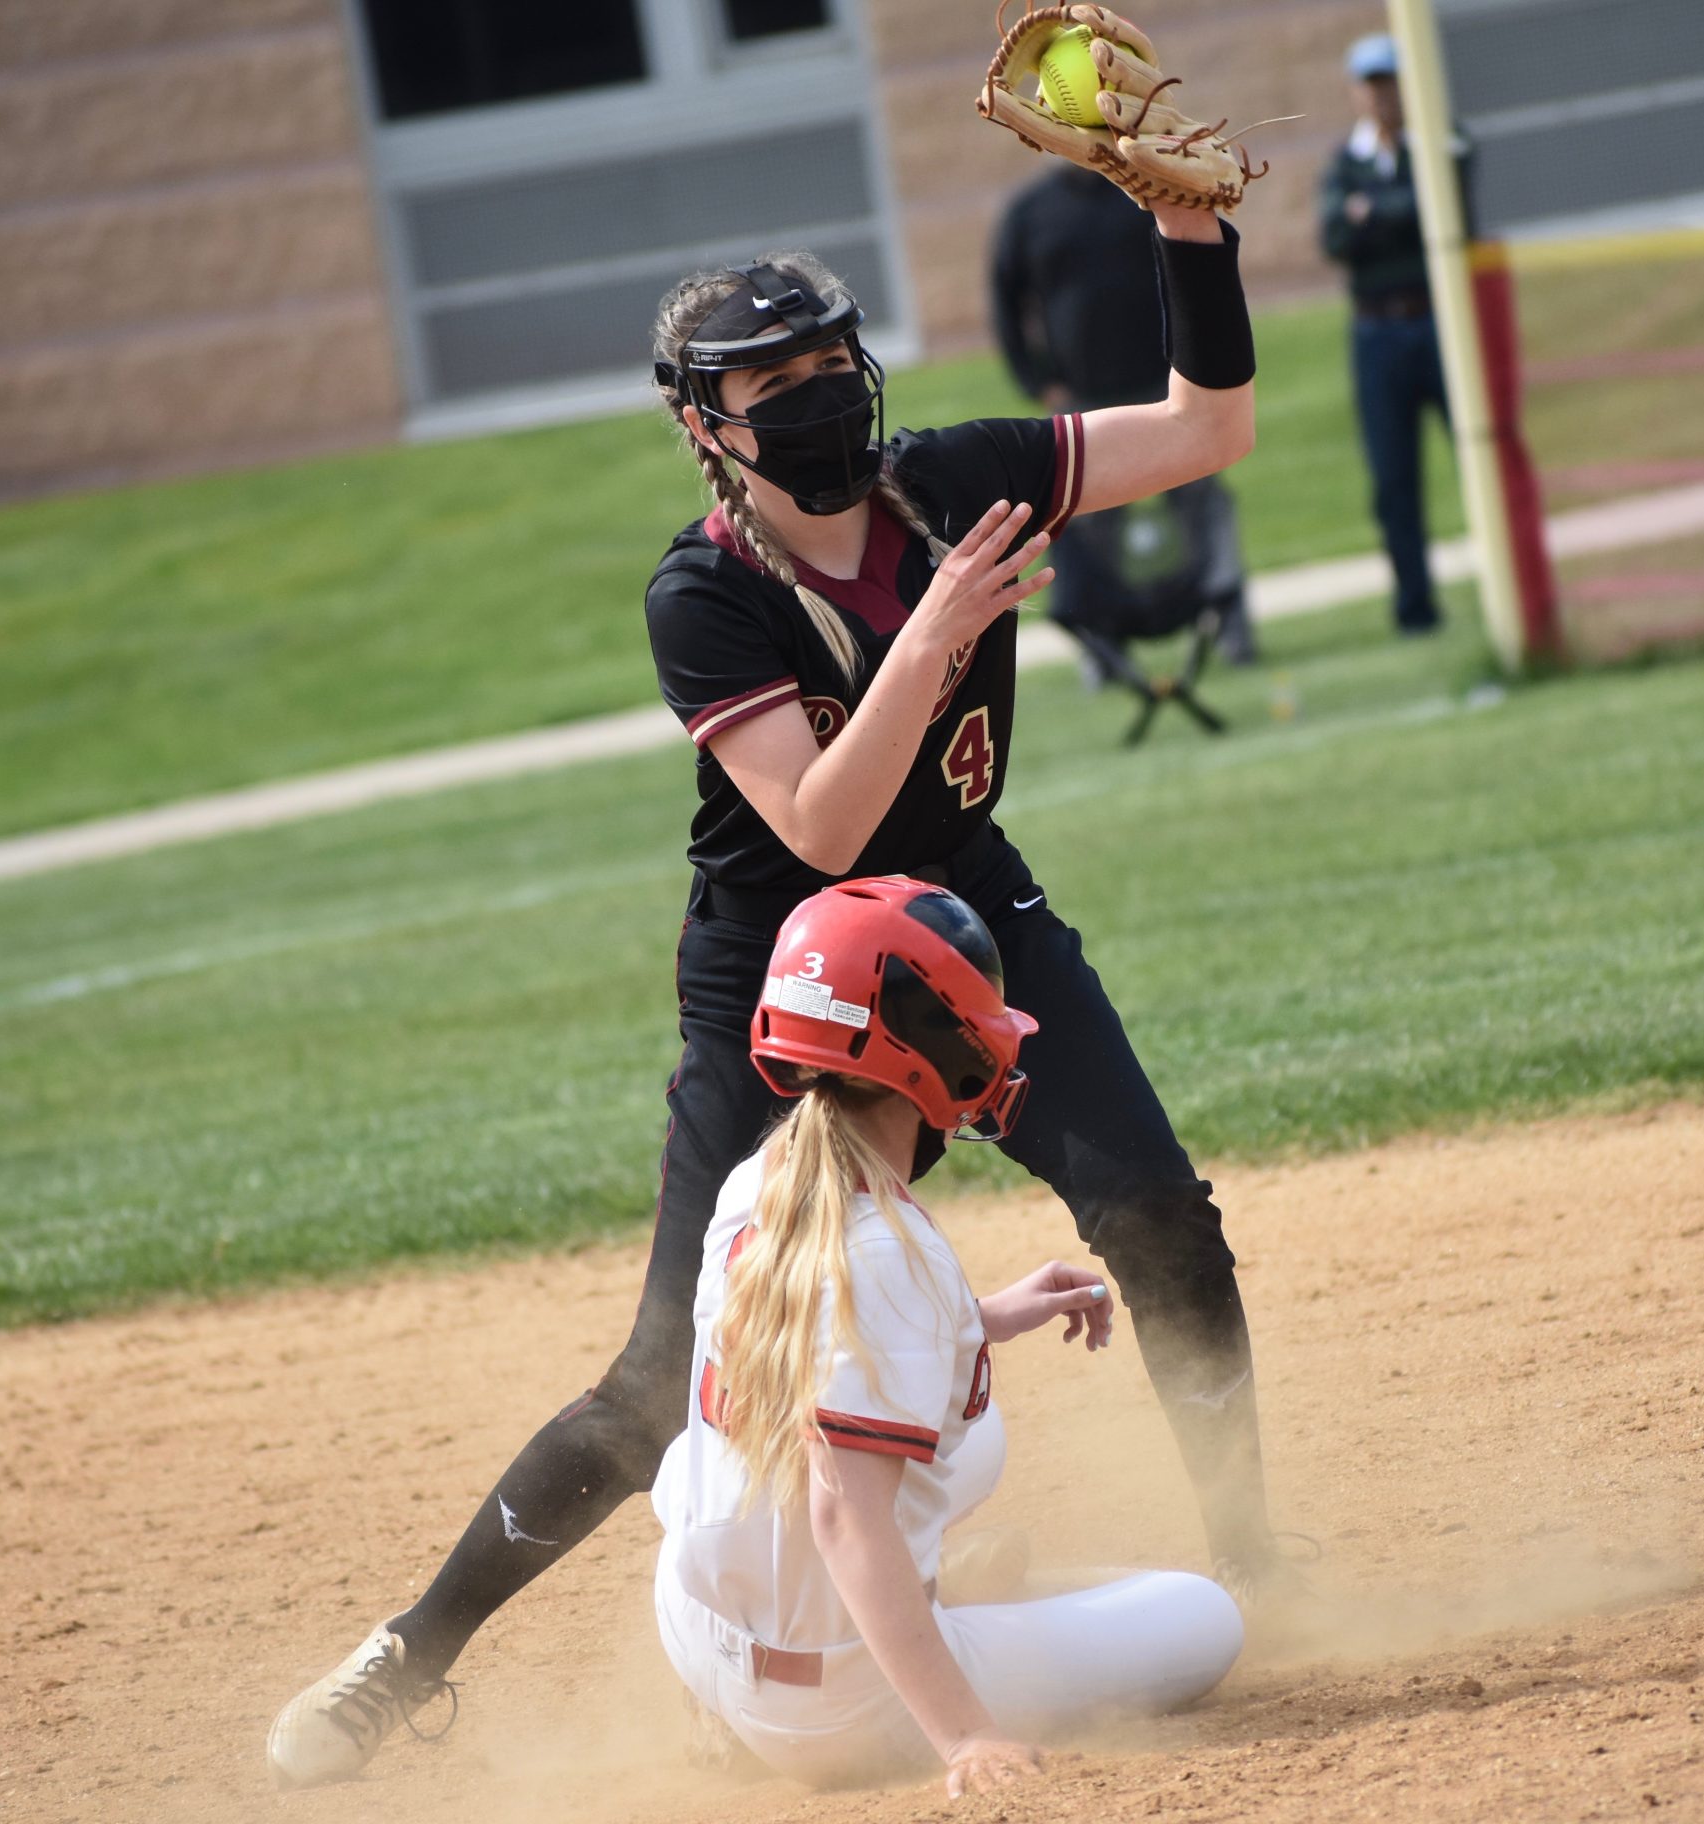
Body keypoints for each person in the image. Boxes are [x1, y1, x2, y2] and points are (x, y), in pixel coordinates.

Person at [268, 181, 1284, 1790]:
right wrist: (937, 633)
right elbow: (820, 820)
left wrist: (1188, 238)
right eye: (772, 388)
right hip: (778, 981)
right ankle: (412, 1654)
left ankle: (1255, 1565)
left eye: (831, 366)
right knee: (664, 1374)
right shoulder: (707, 593)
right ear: (706, 429)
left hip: (957, 927)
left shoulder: (955, 483)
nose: (818, 401)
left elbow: (1207, 429)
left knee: (1158, 1212)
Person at [652, 876, 1244, 1795]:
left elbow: (824, 1338)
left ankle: (753, 1684)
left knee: (955, 1431)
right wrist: (965, 1734)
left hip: (694, 1625)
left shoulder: (765, 1178)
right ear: (936, 1051)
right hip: (838, 1710)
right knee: (1205, 1620)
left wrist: (986, 1316)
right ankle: (932, 1629)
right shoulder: (891, 1258)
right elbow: (844, 1516)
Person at [991, 163, 1257, 676]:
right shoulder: (1030, 212)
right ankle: (1103, 654)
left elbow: (1189, 273)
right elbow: (1005, 303)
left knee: (1203, 506)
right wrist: (1038, 380)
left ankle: (1233, 632)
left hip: (1166, 388)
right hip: (1082, 396)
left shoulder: (1142, 194)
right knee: (1084, 529)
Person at [1318, 32, 1455, 637]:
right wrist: (1403, 209)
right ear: (1356, 93)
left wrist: (1374, 210)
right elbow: (1335, 238)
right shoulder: (1344, 163)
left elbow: (1448, 207)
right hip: (1377, 331)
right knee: (1393, 479)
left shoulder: (1441, 142)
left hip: (1443, 323)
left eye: (1392, 82)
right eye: (1371, 85)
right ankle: (1415, 608)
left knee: (1483, 454)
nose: (1383, 97)